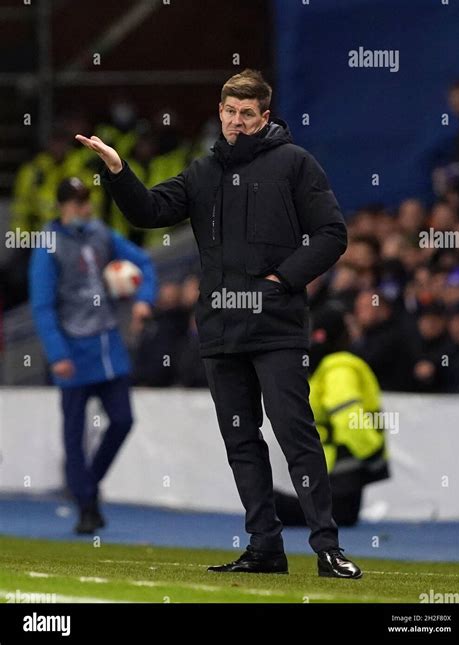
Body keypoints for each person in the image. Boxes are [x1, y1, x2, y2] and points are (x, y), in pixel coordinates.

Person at [76, 69, 362, 578]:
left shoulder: (296, 164)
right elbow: (150, 210)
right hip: (220, 331)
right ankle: (264, 546)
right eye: (229, 113)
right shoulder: (203, 172)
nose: (235, 123)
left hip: (276, 327)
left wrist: (280, 281)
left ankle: (327, 548)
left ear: (264, 116)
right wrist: (118, 171)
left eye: (246, 114)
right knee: (241, 441)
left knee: (295, 435)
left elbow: (332, 234)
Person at [29, 178, 156, 534]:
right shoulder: (47, 248)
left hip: (108, 345)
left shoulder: (102, 234)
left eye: (86, 201)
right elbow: (42, 306)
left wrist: (144, 299)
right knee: (73, 433)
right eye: (76, 203)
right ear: (62, 206)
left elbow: (144, 262)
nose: (83, 208)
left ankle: (87, 485)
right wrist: (57, 353)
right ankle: (87, 507)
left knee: (123, 420)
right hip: (72, 348)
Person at [275, 306, 390, 527]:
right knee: (339, 516)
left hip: (327, 460)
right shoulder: (340, 368)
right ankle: (270, 503)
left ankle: (269, 504)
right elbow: (348, 418)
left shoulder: (320, 368)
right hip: (345, 462)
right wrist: (373, 455)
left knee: (338, 515)